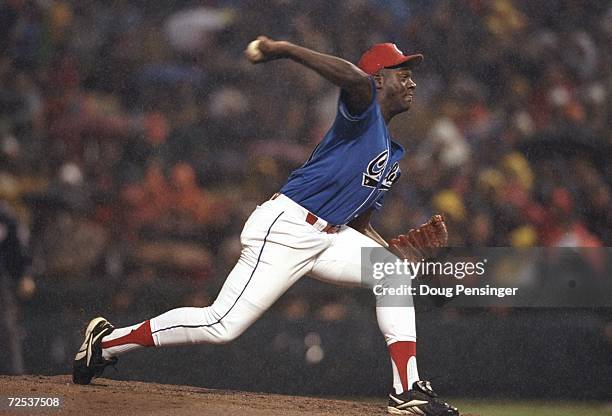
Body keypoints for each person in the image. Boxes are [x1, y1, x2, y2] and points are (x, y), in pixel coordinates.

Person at [73, 37, 459, 416]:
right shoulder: (362, 113)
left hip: (329, 236)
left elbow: (358, 221)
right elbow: (354, 79)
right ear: (378, 80)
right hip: (287, 227)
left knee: (392, 274)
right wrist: (283, 49)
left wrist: (391, 253)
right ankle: (106, 342)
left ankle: (407, 390)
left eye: (411, 76)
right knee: (221, 325)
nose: (411, 82)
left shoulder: (391, 152)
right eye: (401, 73)